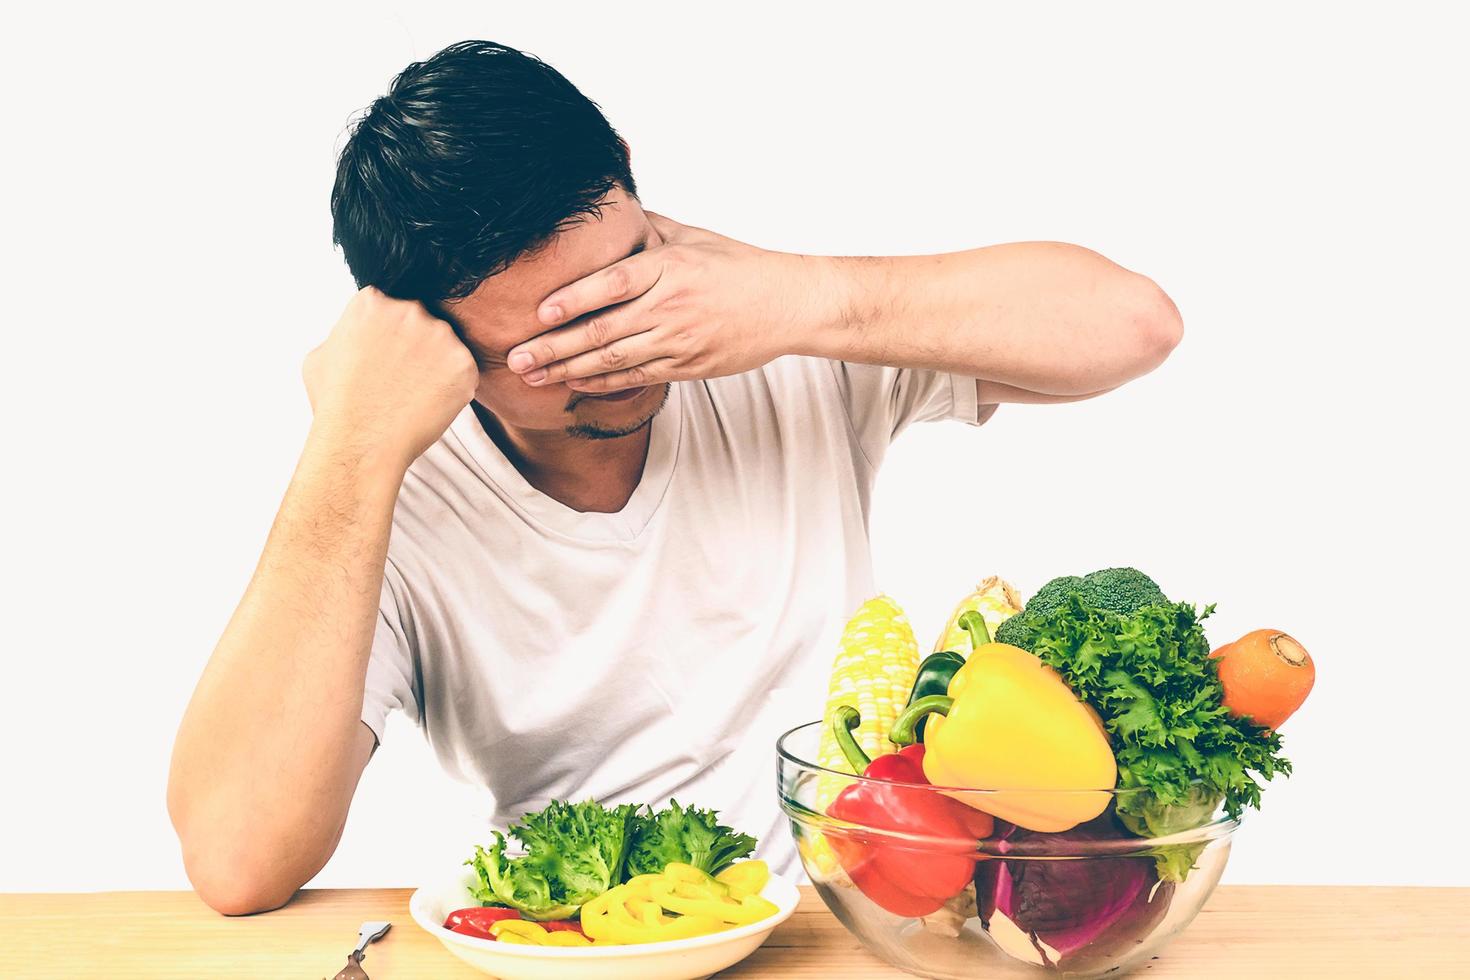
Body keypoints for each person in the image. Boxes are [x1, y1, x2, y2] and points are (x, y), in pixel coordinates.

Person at [167, 40, 1182, 915]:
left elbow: (1135, 326)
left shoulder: (759, 324)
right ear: (423, 337)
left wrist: (811, 296)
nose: (625, 351)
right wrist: (350, 440)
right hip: (576, 942)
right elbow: (237, 855)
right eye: (557, 344)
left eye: (626, 278)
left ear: (633, 186)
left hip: (849, 928)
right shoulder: (393, 491)